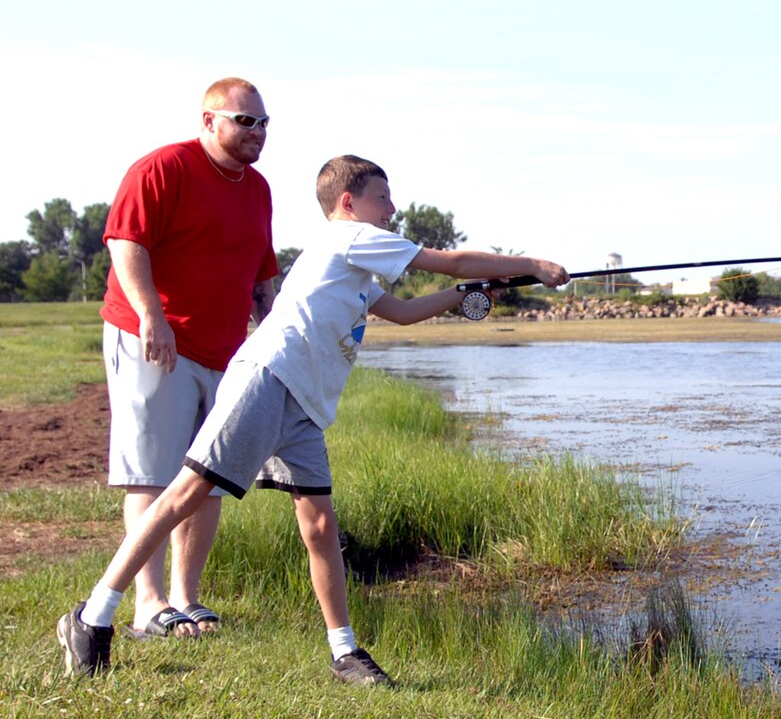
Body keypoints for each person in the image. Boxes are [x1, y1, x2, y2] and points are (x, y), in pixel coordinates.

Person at [58, 154, 568, 686]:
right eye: (383, 198)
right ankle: (92, 616)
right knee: (184, 495)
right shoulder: (348, 238)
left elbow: (404, 310)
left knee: (321, 527)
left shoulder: (354, 269)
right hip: (267, 380)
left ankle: (343, 653)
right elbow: (453, 262)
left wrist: (473, 296)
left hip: (303, 406)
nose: (392, 209)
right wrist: (530, 263)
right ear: (348, 204)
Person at [99, 77, 280, 639]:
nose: (257, 132)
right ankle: (147, 603)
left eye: (264, 123)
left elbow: (262, 272)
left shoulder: (257, 188)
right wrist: (151, 315)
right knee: (152, 474)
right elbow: (126, 242)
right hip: (156, 341)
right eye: (244, 121)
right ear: (209, 121)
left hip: (224, 353)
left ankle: (185, 597)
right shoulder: (162, 169)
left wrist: (269, 334)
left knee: (205, 474)